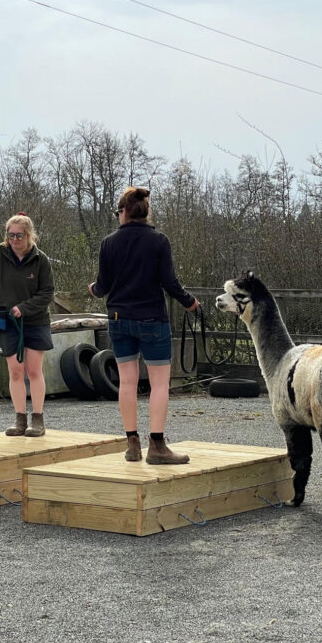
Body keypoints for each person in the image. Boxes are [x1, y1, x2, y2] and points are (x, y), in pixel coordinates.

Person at [88, 187, 199, 464]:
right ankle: (158, 445)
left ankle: (132, 444)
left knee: (127, 381)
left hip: (119, 319)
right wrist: (190, 302)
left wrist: (93, 289)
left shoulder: (108, 243)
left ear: (124, 212)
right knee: (159, 384)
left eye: (117, 212)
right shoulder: (159, 241)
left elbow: (102, 287)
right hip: (152, 318)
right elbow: (169, 282)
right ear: (146, 212)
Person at [0, 213, 55, 437]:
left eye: (19, 235)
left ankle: (37, 418)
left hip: (35, 321)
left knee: (33, 370)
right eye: (11, 235)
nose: (15, 240)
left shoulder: (41, 260)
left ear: (29, 235)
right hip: (8, 321)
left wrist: (25, 308)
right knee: (16, 371)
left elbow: (47, 293)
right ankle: (20, 418)